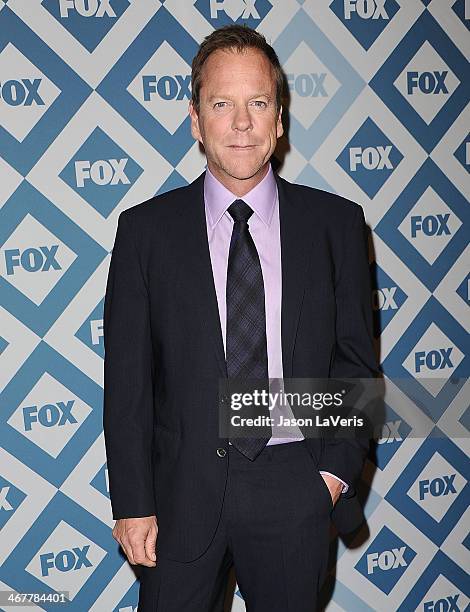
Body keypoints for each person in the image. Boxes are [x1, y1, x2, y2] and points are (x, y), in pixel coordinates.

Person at [103, 24, 379, 612]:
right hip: (179, 493)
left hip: (294, 484)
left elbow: (356, 365)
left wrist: (329, 476)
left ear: (279, 117)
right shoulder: (145, 231)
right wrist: (132, 501)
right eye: (221, 104)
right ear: (196, 120)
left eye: (258, 102)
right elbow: (127, 383)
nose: (243, 123)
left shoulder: (337, 225)